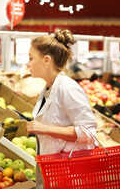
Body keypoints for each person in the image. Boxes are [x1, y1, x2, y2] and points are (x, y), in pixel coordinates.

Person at [26, 29, 97, 187]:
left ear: (46, 60)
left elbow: (88, 132)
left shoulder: (68, 88)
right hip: (57, 173)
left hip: (73, 175)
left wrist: (44, 128)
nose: (27, 64)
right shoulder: (48, 88)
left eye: (31, 58)